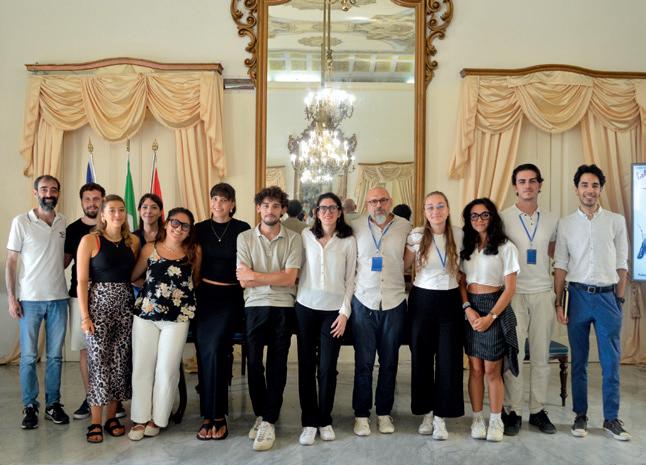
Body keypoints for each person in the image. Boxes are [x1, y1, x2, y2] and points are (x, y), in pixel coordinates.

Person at [554, 164, 631, 441]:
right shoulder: (566, 224)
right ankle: (580, 415)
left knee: (611, 362)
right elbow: (561, 265)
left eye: (595, 185)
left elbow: (622, 262)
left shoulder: (615, 221)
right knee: (579, 362)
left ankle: (611, 419)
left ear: (601, 189)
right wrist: (558, 303)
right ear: (577, 189)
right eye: (585, 185)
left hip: (608, 298)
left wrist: (618, 298)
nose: (590, 190)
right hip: (577, 297)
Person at [236, 186, 302, 451]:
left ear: (283, 209)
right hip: (254, 305)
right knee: (253, 362)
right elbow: (243, 281)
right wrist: (275, 277)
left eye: (276, 205)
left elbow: (290, 278)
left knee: (277, 363)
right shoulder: (244, 238)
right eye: (265, 205)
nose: (270, 210)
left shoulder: (294, 238)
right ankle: (262, 414)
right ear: (258, 208)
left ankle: (269, 420)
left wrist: (256, 276)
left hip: (283, 305)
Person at [128, 208, 201, 441]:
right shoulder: (150, 248)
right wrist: (153, 288)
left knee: (167, 369)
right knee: (142, 366)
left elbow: (195, 281)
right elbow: (134, 276)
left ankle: (158, 419)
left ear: (189, 231)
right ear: (167, 223)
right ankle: (140, 418)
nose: (179, 228)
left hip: (177, 318)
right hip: (146, 315)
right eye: (175, 223)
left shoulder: (194, 251)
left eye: (185, 226)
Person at [6, 175, 70, 429]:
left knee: (55, 357)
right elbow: (11, 262)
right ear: (35, 193)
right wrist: (12, 298)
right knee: (29, 357)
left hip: (59, 300)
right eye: (44, 189)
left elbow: (63, 257)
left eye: (53, 189)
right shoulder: (21, 222)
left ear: (58, 193)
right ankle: (30, 406)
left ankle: (53, 404)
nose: (49, 194)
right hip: (29, 301)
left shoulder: (63, 221)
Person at [500, 164, 559, 435]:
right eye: (522, 181)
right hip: (514, 294)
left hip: (543, 293)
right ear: (515, 186)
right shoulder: (503, 218)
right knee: (513, 354)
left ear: (539, 185)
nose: (527, 186)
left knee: (540, 355)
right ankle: (512, 410)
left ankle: (537, 410)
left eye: (532, 181)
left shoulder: (552, 219)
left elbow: (553, 252)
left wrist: (558, 296)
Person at [76, 194, 139, 443]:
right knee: (98, 363)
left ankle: (112, 417)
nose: (117, 214)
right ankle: (95, 421)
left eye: (121, 210)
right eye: (111, 210)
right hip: (98, 307)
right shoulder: (90, 240)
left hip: (125, 307)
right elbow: (82, 281)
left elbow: (134, 275)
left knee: (120, 363)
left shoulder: (133, 241)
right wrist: (85, 317)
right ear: (102, 214)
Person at [295, 193, 356, 446]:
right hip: (306, 308)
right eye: (323, 208)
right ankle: (309, 421)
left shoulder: (348, 240)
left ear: (339, 212)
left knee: (328, 367)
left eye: (332, 208)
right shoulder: (305, 236)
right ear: (316, 212)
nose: (328, 212)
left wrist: (344, 313)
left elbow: (351, 279)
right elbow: (296, 270)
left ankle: (324, 419)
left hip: (333, 312)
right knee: (306, 366)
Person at [351, 187, 411, 436]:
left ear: (391, 201)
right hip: (363, 300)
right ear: (366, 204)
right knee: (363, 362)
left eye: (383, 200)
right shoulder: (355, 227)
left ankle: (384, 413)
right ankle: (361, 414)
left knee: (389, 362)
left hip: (394, 302)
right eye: (373, 201)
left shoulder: (405, 227)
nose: (378, 205)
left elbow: (408, 260)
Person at [404, 191, 464, 440]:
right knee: (422, 358)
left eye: (440, 206)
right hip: (422, 301)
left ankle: (441, 417)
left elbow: (465, 269)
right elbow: (403, 266)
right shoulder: (416, 235)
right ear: (424, 212)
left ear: (448, 209)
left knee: (449, 360)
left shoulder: (460, 234)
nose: (435, 211)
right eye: (430, 207)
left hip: (450, 301)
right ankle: (426, 413)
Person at [460, 198, 519, 442]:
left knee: (492, 369)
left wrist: (491, 317)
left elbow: (510, 289)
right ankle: (477, 419)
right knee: (474, 368)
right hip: (470, 307)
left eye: (484, 214)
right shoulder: (466, 246)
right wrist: (467, 309)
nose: (479, 220)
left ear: (492, 217)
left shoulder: (506, 247)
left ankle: (496, 420)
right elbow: (461, 281)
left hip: (495, 306)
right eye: (474, 215)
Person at [194, 183, 250, 440]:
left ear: (232, 204)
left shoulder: (242, 229)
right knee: (205, 351)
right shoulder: (199, 229)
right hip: (204, 297)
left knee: (215, 347)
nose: (218, 203)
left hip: (232, 298)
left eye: (223, 199)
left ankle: (217, 415)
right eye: (214, 198)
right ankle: (208, 415)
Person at [64, 182, 105, 420]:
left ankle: (111, 399)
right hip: (79, 297)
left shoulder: (111, 225)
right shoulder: (72, 229)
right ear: (81, 201)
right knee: (85, 351)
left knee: (109, 350)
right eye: (87, 199)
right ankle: (90, 398)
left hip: (108, 297)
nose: (92, 203)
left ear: (103, 201)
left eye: (96, 199)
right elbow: (63, 262)